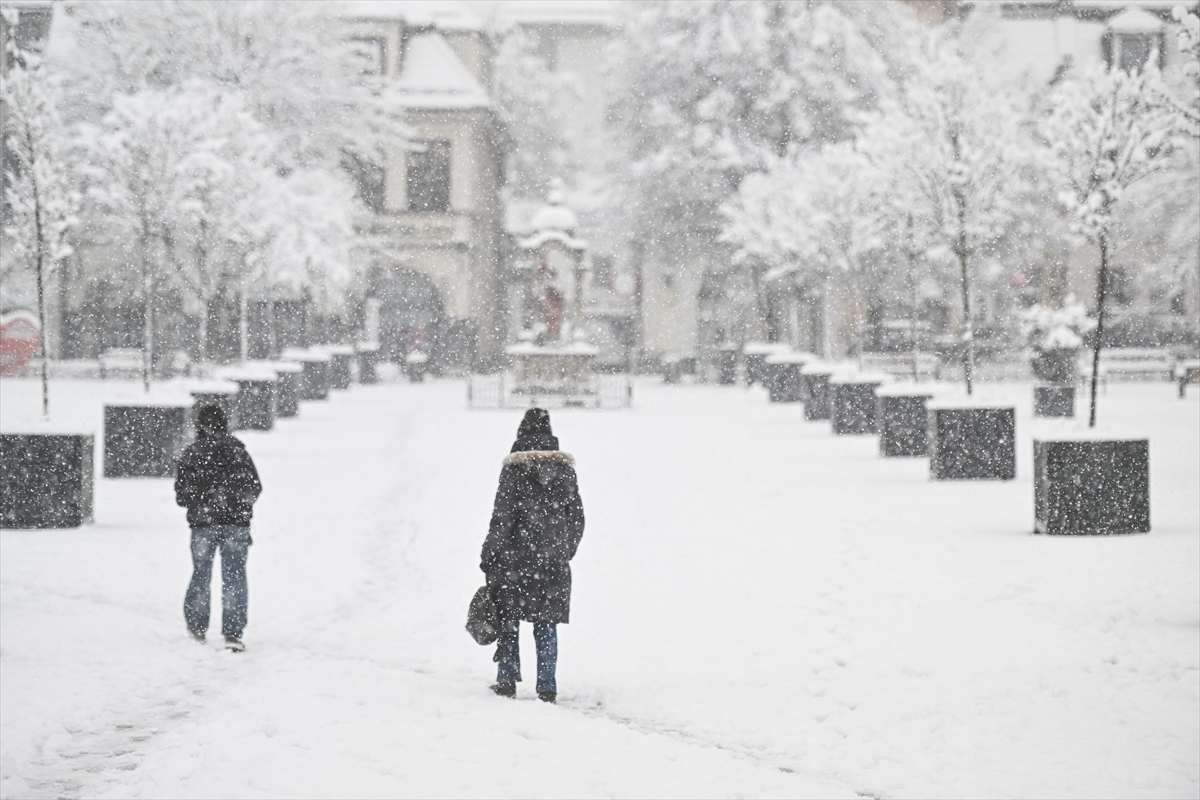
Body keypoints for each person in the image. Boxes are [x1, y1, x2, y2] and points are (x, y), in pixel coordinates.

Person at [480, 408, 585, 703]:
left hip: (514, 561)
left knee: (509, 620)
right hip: (552, 563)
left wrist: (489, 554)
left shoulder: (513, 470)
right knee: (546, 623)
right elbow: (577, 518)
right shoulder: (565, 471)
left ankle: (506, 680)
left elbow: (501, 519)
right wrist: (565, 550)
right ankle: (547, 686)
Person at [174, 404, 262, 652]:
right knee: (234, 576)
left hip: (203, 524)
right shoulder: (237, 451)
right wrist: (235, 503)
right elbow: (254, 487)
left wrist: (204, 499)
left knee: (201, 574)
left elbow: (182, 496)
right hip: (236, 524)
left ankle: (197, 626)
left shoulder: (191, 454)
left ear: (199, 425)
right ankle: (233, 632)